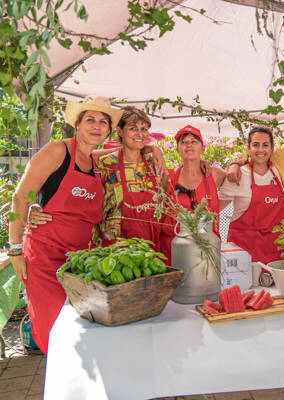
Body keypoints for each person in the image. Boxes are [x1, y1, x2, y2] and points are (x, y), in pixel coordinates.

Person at [7, 96, 123, 353]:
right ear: (78, 124)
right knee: (55, 331)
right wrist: (15, 248)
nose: (96, 126)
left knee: (79, 334)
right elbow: (20, 196)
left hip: (78, 263)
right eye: (90, 119)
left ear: (108, 130)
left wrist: (153, 149)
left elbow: (121, 152)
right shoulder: (58, 150)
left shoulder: (94, 163)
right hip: (45, 258)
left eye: (103, 122)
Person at [95, 106, 167, 251]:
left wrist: (155, 150)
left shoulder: (153, 163)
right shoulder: (105, 163)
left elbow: (162, 197)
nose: (140, 134)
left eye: (144, 129)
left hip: (148, 245)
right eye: (133, 128)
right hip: (113, 247)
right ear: (120, 131)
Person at [219, 126, 284, 263]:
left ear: (272, 148)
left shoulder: (280, 170)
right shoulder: (237, 175)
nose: (261, 150)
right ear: (248, 148)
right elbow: (215, 211)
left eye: (265, 145)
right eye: (255, 145)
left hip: (277, 251)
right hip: (245, 251)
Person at [159, 125, 226, 263]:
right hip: (173, 251)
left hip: (206, 252)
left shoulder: (214, 174)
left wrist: (236, 163)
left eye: (194, 141)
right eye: (183, 142)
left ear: (203, 148)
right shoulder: (168, 178)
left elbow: (238, 174)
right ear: (178, 149)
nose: (188, 145)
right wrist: (154, 149)